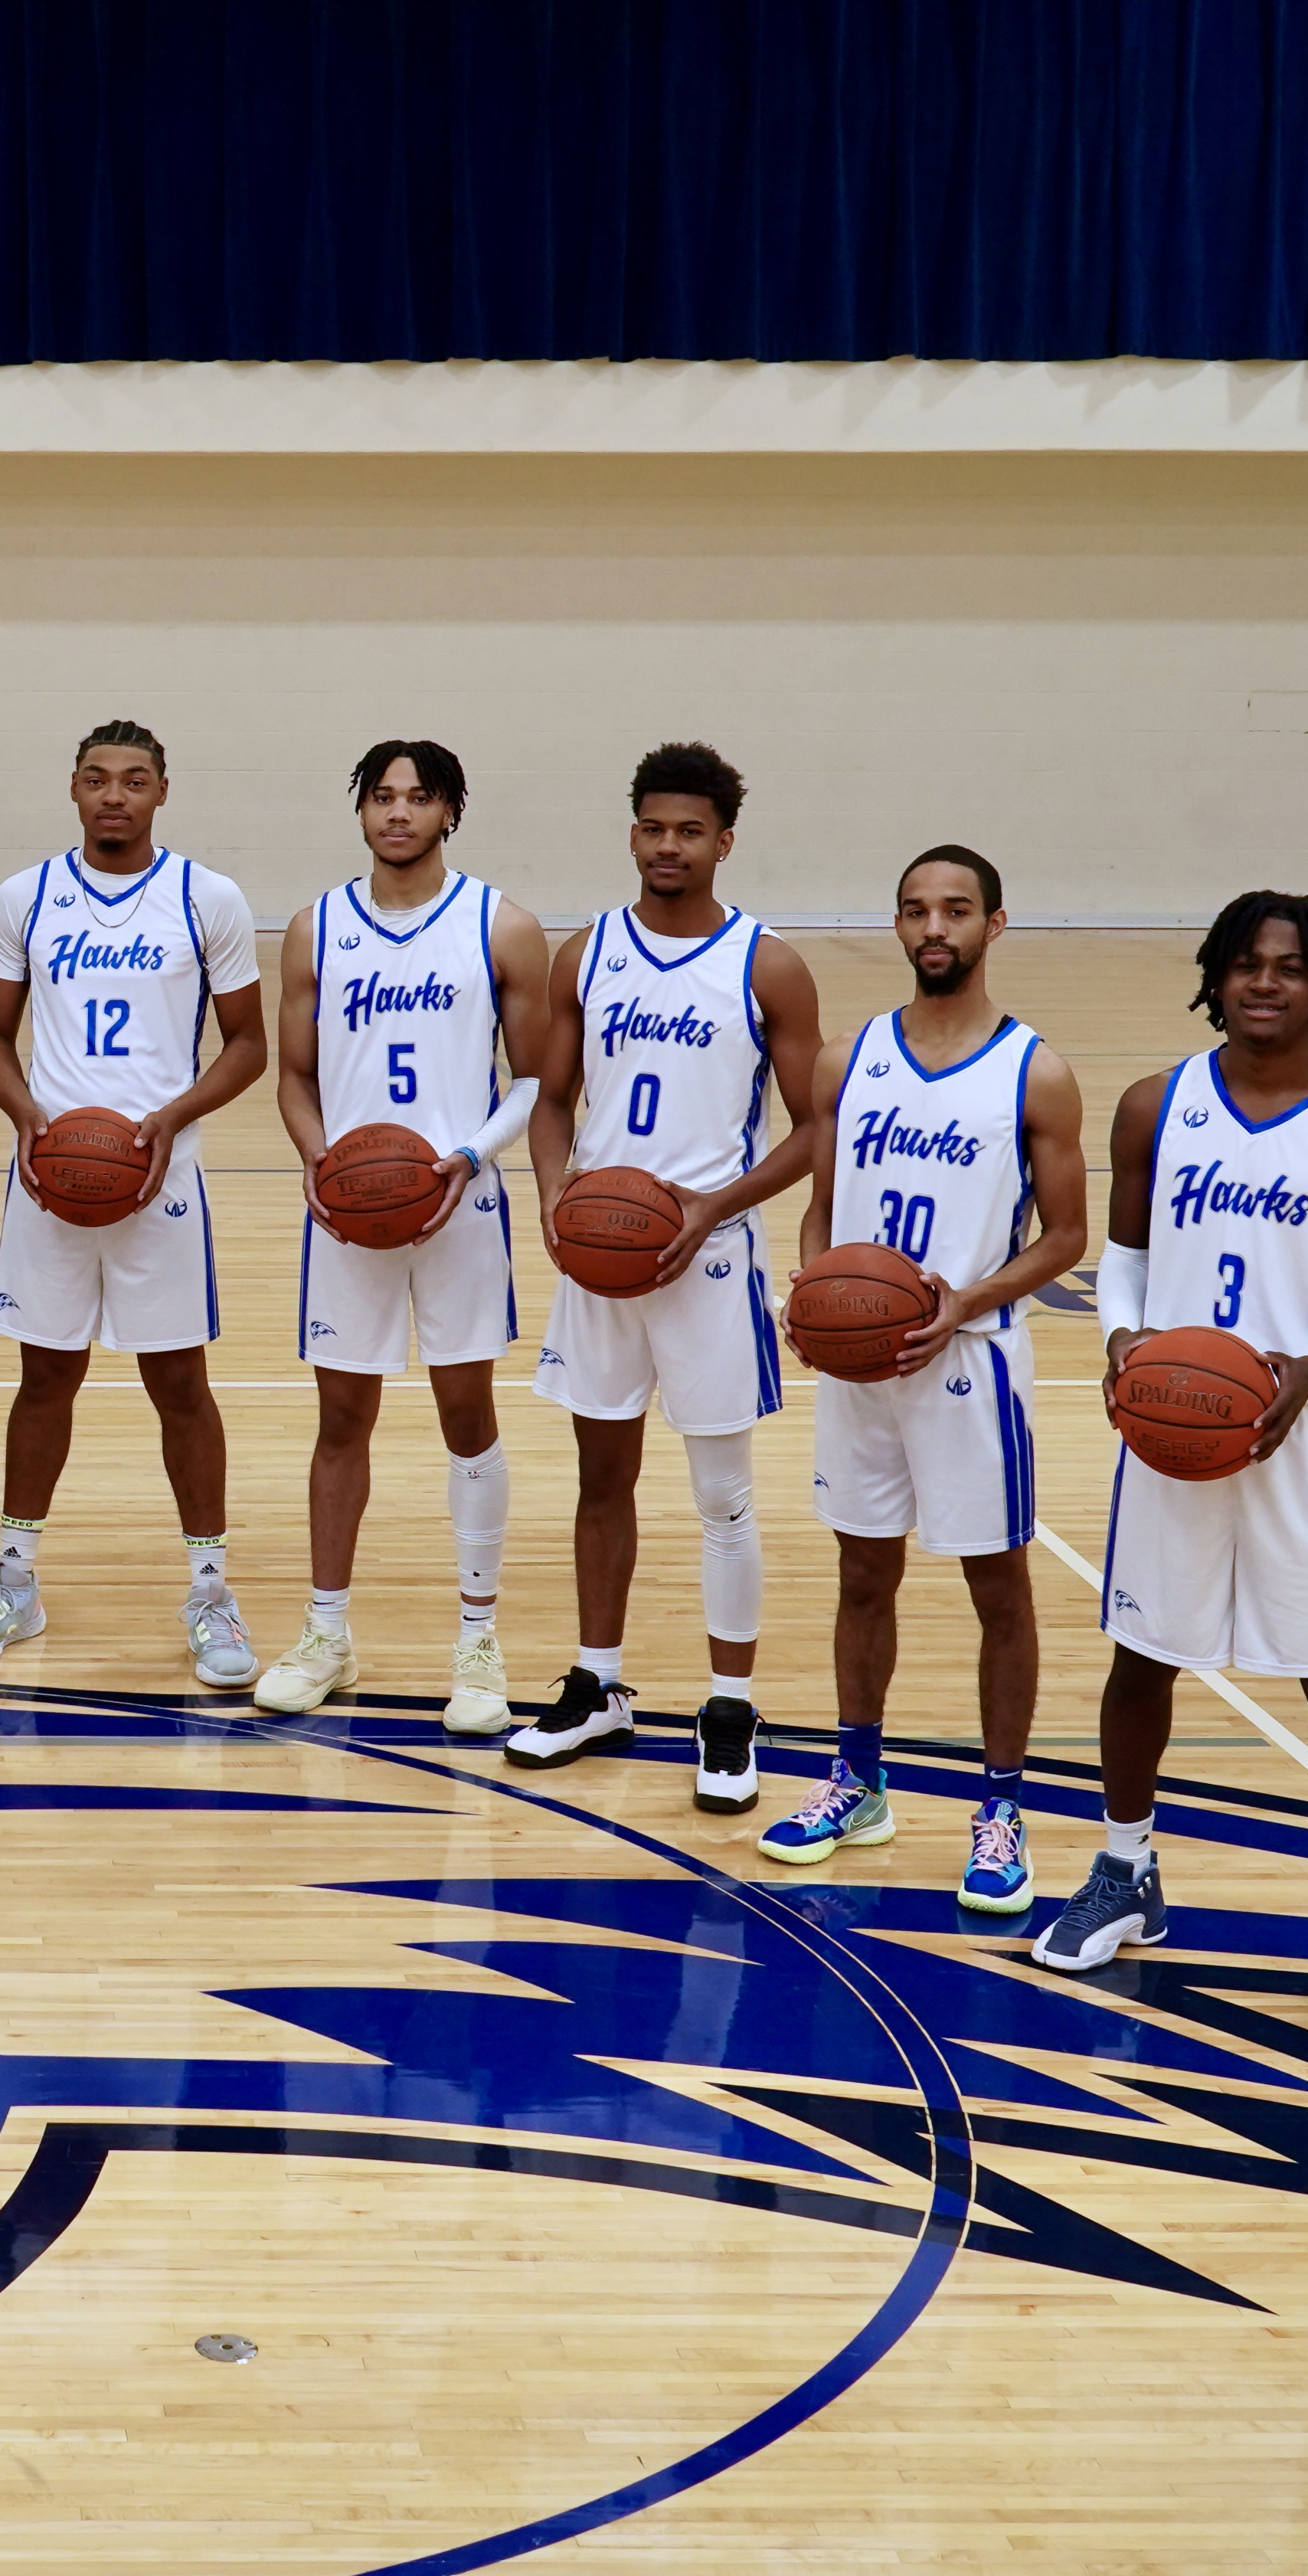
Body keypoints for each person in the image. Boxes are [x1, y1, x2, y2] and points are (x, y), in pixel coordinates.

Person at [1037, 892, 1308, 2060]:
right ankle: (1124, 1872)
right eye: (1240, 965)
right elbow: (1121, 1257)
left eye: (1286, 969)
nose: (1261, 983)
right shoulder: (1151, 1106)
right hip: (1173, 1434)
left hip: (1305, 1439)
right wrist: (1123, 1343)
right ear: (1211, 979)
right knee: (1139, 1660)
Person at [755, 846, 1087, 1912]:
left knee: (996, 1589)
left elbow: (1067, 1235)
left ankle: (1000, 1807)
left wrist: (965, 1299)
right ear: (895, 926)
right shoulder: (845, 1059)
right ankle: (857, 1781)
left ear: (995, 924)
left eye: (953, 910)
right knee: (861, 1576)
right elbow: (820, 1197)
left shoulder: (1032, 1068)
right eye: (913, 910)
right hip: (860, 1368)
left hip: (968, 1365)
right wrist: (808, 1288)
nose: (931, 927)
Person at [507, 742, 827, 1812]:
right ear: (631, 833)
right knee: (600, 1478)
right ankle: (597, 1681)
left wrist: (710, 1209)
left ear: (722, 842)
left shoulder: (764, 965)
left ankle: (727, 1702)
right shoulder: (585, 952)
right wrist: (558, 1195)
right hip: (599, 1254)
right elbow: (546, 1096)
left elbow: (815, 1127)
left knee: (721, 1497)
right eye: (651, 828)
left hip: (706, 1257)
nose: (666, 846)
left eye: (688, 831)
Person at [0, 720, 271, 1687]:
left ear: (163, 790)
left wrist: (172, 1118)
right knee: (44, 1379)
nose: (114, 795)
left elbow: (246, 1043)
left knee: (180, 1385)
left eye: (133, 780)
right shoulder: (25, 896)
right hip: (52, 1176)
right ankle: (16, 1576)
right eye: (96, 779)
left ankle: (211, 1588)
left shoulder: (204, 897)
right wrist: (28, 1123)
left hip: (160, 1182)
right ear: (73, 790)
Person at [253, 739, 553, 1727]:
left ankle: (477, 1641)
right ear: (361, 810)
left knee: (467, 1418)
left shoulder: (500, 926)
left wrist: (470, 1154)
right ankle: (326, 1631)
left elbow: (536, 1078)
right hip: (349, 1211)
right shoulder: (313, 929)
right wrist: (316, 1158)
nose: (397, 814)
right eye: (381, 798)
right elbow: (292, 1073)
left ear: (450, 813)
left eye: (418, 799)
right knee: (342, 1421)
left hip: (458, 1205)